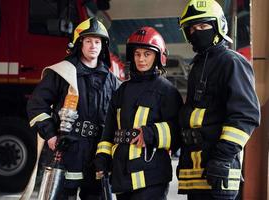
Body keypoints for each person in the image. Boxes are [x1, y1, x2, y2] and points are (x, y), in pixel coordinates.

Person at [26, 17, 120, 200]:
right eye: (88, 41)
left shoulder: (111, 81)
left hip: (97, 152)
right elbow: (37, 104)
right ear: (79, 44)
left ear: (103, 46)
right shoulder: (63, 73)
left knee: (96, 195)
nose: (93, 45)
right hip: (67, 148)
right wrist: (51, 136)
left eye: (97, 41)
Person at [177, 0, 260, 199]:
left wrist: (222, 159)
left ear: (218, 26)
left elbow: (245, 116)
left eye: (203, 26)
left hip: (219, 172)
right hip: (196, 173)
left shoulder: (232, 62)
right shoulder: (198, 66)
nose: (197, 32)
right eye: (192, 28)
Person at [95, 26, 183, 200]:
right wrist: (103, 157)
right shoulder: (121, 91)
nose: (141, 59)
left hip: (152, 177)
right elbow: (109, 129)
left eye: (147, 54)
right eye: (137, 54)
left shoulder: (167, 91)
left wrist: (152, 133)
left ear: (158, 57)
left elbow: (179, 131)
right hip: (122, 176)